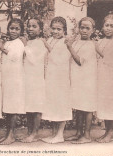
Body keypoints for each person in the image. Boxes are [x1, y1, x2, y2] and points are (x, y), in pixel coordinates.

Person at [65, 17, 97, 144]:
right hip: (78, 79)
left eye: (87, 28)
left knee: (87, 107)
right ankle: (78, 132)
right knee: (78, 107)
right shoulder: (77, 42)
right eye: (82, 27)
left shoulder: (91, 45)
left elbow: (79, 61)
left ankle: (87, 135)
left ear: (93, 30)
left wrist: (69, 47)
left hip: (87, 80)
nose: (84, 30)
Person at [41, 16, 72, 144]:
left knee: (61, 105)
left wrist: (48, 47)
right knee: (52, 105)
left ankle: (60, 134)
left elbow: (60, 61)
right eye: (53, 28)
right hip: (51, 78)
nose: (55, 31)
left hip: (61, 79)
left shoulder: (65, 42)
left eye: (59, 29)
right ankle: (54, 133)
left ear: (64, 30)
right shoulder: (51, 40)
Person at [0, 18, 25, 145]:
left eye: (16, 29)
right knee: (7, 109)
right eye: (11, 28)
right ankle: (8, 133)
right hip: (7, 79)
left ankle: (11, 135)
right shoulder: (9, 42)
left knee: (12, 108)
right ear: (8, 29)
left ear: (21, 31)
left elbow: (15, 57)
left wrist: (2, 47)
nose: (13, 31)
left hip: (15, 80)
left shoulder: (19, 43)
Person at [95, 14, 113, 143]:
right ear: (102, 27)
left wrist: (97, 50)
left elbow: (111, 60)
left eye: (112, 26)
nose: (108, 28)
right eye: (106, 25)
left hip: (112, 78)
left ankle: (110, 132)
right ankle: (106, 131)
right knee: (104, 105)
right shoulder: (100, 41)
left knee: (111, 105)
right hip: (102, 77)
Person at [20, 17, 48, 143]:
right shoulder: (28, 42)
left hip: (36, 79)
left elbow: (34, 60)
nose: (30, 28)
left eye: (34, 26)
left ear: (40, 29)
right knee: (28, 106)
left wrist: (25, 45)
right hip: (26, 78)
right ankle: (29, 131)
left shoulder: (41, 42)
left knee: (36, 107)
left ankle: (34, 133)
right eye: (29, 26)